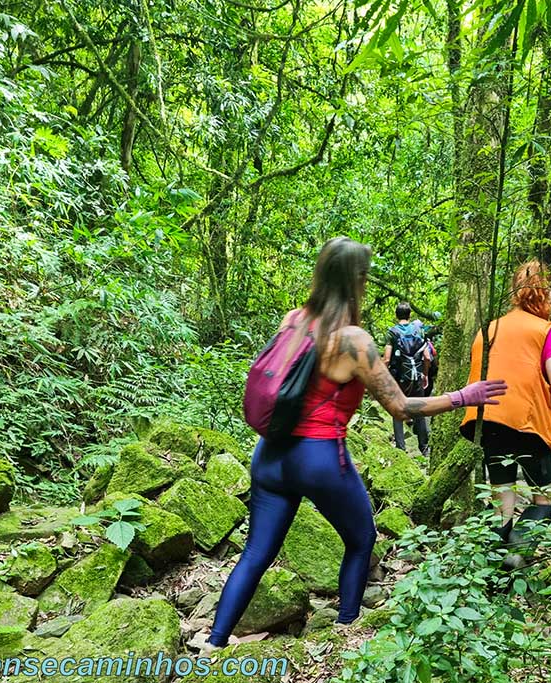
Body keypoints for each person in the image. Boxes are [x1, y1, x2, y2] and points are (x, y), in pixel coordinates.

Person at [202, 237, 507, 649]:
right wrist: (461, 397)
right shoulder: (352, 341)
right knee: (361, 538)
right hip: (319, 457)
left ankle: (214, 643)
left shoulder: (293, 320)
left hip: (270, 455)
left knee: (255, 552)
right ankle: (347, 630)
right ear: (357, 280)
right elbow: (400, 406)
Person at [460, 260, 551, 560]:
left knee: (501, 502)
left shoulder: (488, 328)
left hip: (488, 422)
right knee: (545, 500)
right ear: (546, 293)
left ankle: (492, 570)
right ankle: (517, 555)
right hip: (528, 427)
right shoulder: (545, 332)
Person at [381, 303, 433, 457]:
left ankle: (401, 449)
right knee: (419, 410)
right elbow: (427, 357)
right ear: (410, 315)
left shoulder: (392, 333)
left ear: (396, 316)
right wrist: (425, 374)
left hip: (398, 378)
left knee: (397, 410)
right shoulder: (418, 330)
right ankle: (424, 448)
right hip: (416, 376)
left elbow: (386, 359)